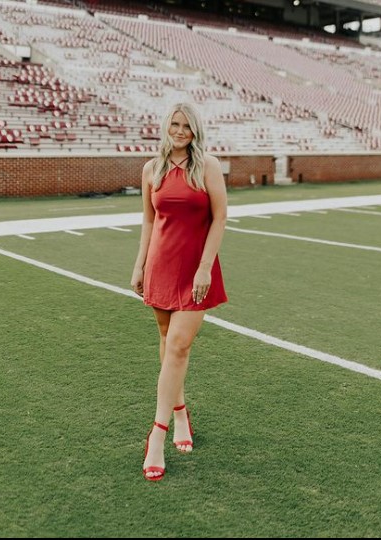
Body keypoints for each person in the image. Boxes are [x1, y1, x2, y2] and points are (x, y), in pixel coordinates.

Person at [130, 102, 228, 481]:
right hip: (160, 265)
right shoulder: (151, 169)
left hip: (195, 270)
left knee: (180, 346)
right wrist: (139, 265)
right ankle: (180, 412)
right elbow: (149, 220)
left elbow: (220, 216)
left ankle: (157, 435)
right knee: (168, 341)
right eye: (175, 123)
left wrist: (205, 266)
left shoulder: (208, 166)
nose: (180, 130)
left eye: (187, 125)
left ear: (196, 130)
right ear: (165, 126)